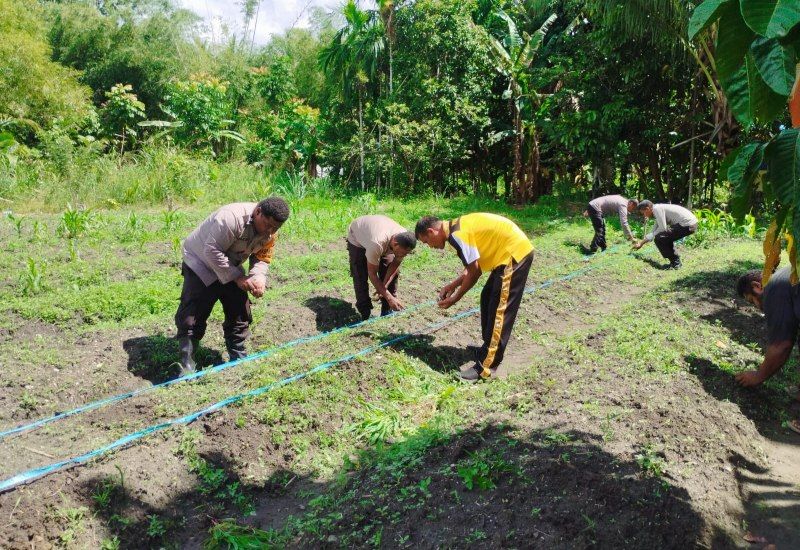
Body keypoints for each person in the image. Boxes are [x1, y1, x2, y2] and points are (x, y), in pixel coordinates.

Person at [175, 197, 290, 376]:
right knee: (194, 311)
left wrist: (258, 277)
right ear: (258, 212)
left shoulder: (271, 231)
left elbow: (262, 256)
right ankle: (186, 362)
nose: (270, 231)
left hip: (230, 261)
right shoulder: (231, 218)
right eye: (267, 225)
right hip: (200, 260)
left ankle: (238, 354)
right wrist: (237, 277)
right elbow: (211, 251)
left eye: (275, 228)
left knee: (239, 306)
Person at [415, 213, 534, 381]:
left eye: (426, 241)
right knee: (487, 297)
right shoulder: (455, 229)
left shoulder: (457, 235)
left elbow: (475, 272)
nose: (430, 246)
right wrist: (453, 285)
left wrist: (455, 298)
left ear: (431, 231)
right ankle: (487, 349)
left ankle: (486, 367)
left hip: (513, 254)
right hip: (506, 253)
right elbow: (472, 266)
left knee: (499, 309)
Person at [735, 268, 800, 434]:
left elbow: (781, 345)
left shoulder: (773, 288)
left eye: (752, 301)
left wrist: (758, 376)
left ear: (757, 287)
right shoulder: (786, 276)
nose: (758, 308)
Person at [346, 215, 416, 320]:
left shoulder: (405, 240)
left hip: (379, 234)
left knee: (388, 267)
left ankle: (387, 311)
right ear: (395, 244)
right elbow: (372, 274)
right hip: (358, 237)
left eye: (407, 253)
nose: (404, 256)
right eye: (403, 253)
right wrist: (389, 297)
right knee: (360, 274)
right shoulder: (377, 243)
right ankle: (365, 312)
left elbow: (395, 264)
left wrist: (384, 286)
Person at [632, 200, 697, 268]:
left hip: (688, 225)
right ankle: (675, 262)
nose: (645, 216)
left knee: (660, 238)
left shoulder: (657, 209)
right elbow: (654, 231)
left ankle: (676, 263)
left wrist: (642, 242)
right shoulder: (657, 209)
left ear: (647, 209)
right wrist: (641, 243)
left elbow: (662, 228)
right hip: (690, 224)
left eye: (644, 213)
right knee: (664, 236)